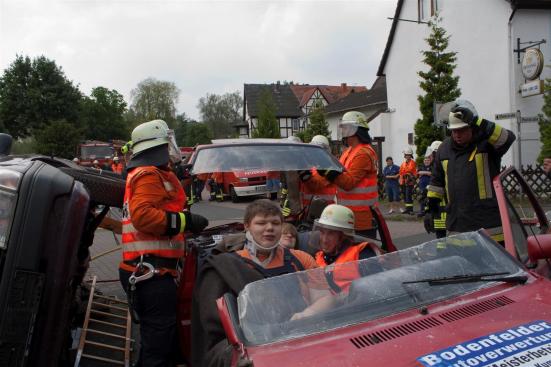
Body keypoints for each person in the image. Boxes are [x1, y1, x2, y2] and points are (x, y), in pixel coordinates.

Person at [118, 119, 208, 366]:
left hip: (150, 272)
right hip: (151, 276)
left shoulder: (150, 173)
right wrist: (185, 222)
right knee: (157, 347)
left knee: (157, 342)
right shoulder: (148, 174)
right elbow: (144, 216)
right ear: (157, 146)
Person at [191, 199, 320, 367]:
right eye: (261, 223)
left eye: (275, 222)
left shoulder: (301, 259)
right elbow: (215, 330)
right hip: (257, 349)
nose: (269, 228)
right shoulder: (225, 268)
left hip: (302, 340)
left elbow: (324, 299)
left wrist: (307, 314)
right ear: (247, 226)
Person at [427, 99, 516, 241]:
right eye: (454, 131)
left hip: (489, 226)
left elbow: (507, 138)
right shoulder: (444, 149)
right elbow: (436, 182)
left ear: (472, 126)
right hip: (458, 225)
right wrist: (431, 209)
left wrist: (479, 121)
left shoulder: (487, 144)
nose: (457, 135)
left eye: (461, 129)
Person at [300, 111, 379, 238]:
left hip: (362, 217)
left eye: (345, 128)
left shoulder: (363, 153)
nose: (343, 131)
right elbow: (332, 177)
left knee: (361, 254)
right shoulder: (349, 152)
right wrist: (309, 176)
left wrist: (327, 171)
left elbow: (348, 183)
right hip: (346, 214)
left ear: (354, 129)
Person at [313, 204, 382, 293]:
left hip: (356, 304)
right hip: (325, 303)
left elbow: (377, 289)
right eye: (322, 232)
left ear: (343, 236)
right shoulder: (319, 256)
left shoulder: (362, 254)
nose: (324, 240)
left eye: (331, 233)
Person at [399, 147, 417, 214]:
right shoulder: (403, 163)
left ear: (411, 156)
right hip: (403, 182)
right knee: (405, 196)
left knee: (409, 195)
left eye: (409, 155)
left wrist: (409, 176)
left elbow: (412, 172)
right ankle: (407, 209)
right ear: (405, 156)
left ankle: (411, 210)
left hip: (410, 182)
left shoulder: (412, 163)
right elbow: (400, 172)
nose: (407, 156)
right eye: (406, 155)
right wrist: (401, 181)